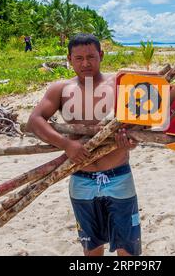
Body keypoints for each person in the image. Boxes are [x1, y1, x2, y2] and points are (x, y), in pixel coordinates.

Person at [26, 33, 141, 256]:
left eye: (91, 56)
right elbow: (34, 121)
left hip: (119, 176)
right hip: (81, 180)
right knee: (91, 249)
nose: (85, 63)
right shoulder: (60, 88)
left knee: (129, 249)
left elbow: (138, 126)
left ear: (102, 56)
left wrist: (129, 142)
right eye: (78, 58)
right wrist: (66, 145)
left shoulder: (120, 85)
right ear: (69, 59)